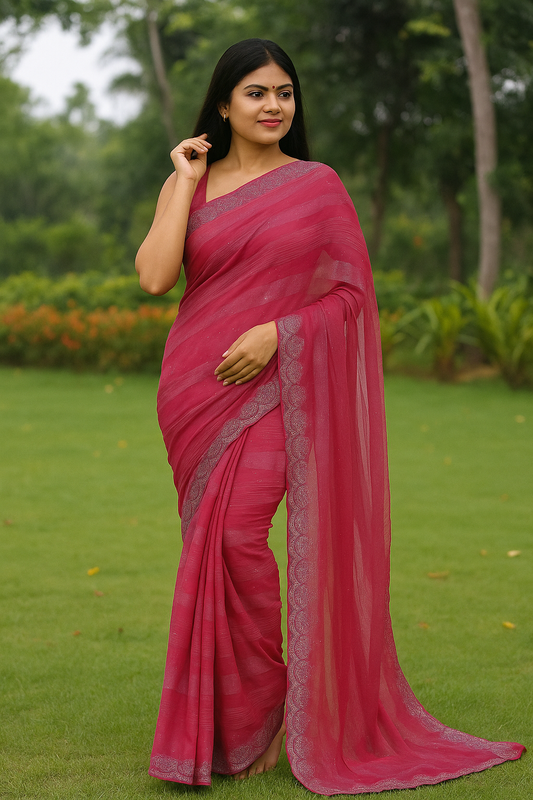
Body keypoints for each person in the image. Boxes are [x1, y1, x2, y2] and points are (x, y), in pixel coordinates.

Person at [135, 38, 524, 794]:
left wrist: (277, 334)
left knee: (237, 538)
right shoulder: (189, 183)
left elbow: (350, 297)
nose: (274, 105)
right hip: (194, 390)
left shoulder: (316, 186)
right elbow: (155, 277)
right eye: (256, 92)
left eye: (284, 92)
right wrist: (182, 180)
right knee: (210, 549)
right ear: (223, 104)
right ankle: (237, 719)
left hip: (274, 385)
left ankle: (274, 710)